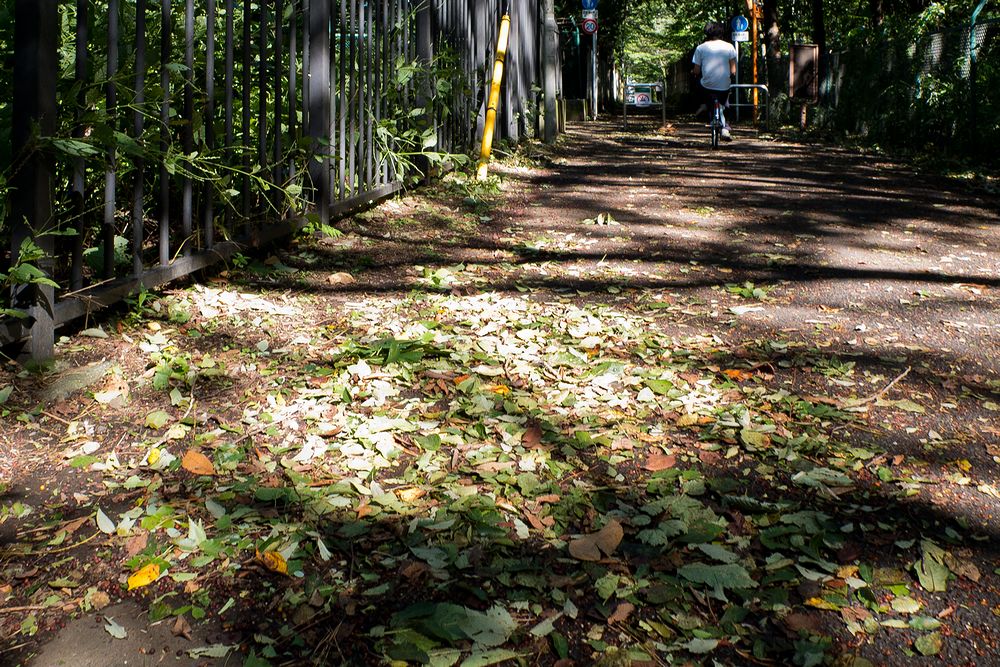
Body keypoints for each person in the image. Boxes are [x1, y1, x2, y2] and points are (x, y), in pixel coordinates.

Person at [692, 22, 737, 140]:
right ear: (721, 32)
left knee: (700, 84)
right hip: (724, 85)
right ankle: (726, 128)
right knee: (725, 102)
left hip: (707, 86)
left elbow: (696, 70)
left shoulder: (700, 48)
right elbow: (733, 70)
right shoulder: (729, 47)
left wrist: (696, 73)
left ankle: (703, 105)